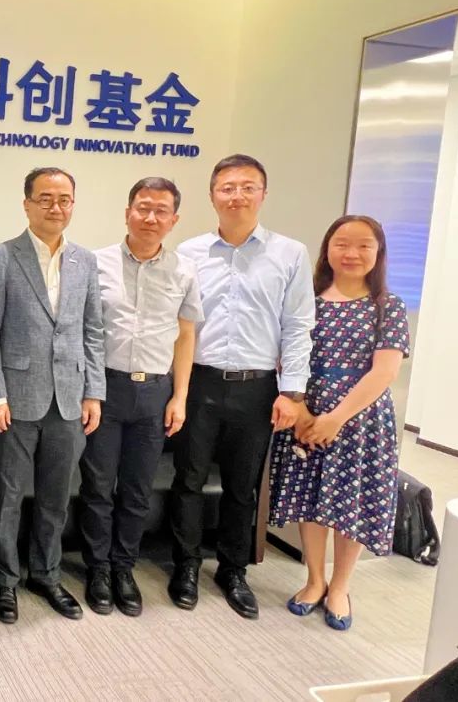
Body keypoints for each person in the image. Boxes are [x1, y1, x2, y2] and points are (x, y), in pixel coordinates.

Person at [170, 154, 315, 620]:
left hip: (258, 387)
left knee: (243, 485)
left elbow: (298, 325)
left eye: (247, 187)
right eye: (227, 187)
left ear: (263, 194)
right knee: (189, 480)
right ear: (213, 195)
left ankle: (233, 570)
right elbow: (177, 324)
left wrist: (292, 392)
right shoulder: (188, 253)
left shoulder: (289, 253)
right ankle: (186, 564)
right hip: (199, 381)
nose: (237, 196)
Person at [0, 167, 106, 623]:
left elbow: (92, 330)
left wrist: (94, 392)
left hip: (69, 399)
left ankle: (46, 575)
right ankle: (4, 580)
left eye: (64, 199)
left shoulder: (85, 260)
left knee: (56, 496)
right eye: (45, 198)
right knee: (8, 496)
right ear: (27, 203)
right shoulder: (1, 257)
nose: (55, 207)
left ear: (73, 204)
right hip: (15, 400)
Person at [270, 215, 409, 631]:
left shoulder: (388, 306)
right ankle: (314, 579)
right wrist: (304, 413)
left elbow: (384, 371)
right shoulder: (306, 300)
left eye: (364, 245)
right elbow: (283, 355)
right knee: (312, 499)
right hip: (306, 411)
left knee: (352, 502)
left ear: (378, 253)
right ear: (327, 249)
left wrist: (335, 418)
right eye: (342, 244)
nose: (352, 253)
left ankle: (341, 586)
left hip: (360, 420)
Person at [80, 177, 202, 617]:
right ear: (127, 212)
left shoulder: (184, 271)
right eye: (143, 207)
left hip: (155, 392)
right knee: (97, 486)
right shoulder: (95, 264)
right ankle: (98, 568)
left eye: (161, 210)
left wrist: (180, 397)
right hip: (105, 389)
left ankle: (123, 568)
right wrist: (89, 391)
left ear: (174, 219)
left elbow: (185, 337)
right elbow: (83, 330)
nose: (151, 217)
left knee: (137, 490)